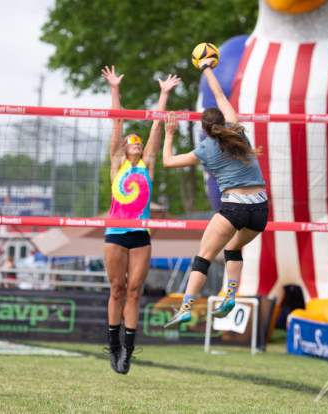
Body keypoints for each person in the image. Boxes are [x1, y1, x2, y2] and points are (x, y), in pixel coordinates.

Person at [162, 58, 267, 328]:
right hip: (260, 209)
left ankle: (186, 306)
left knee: (203, 257)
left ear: (203, 129)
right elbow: (220, 95)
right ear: (221, 121)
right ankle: (231, 293)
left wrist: (170, 134)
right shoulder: (237, 130)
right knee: (233, 248)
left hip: (235, 207)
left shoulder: (204, 150)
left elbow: (168, 162)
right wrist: (207, 68)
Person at [101, 65, 180, 374]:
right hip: (116, 232)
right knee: (116, 289)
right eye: (130, 142)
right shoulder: (117, 163)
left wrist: (163, 94)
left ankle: (129, 351)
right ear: (123, 148)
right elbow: (117, 122)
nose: (134, 143)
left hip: (140, 234)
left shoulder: (147, 164)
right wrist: (114, 89)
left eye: (138, 142)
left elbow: (157, 129)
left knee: (135, 290)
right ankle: (114, 344)